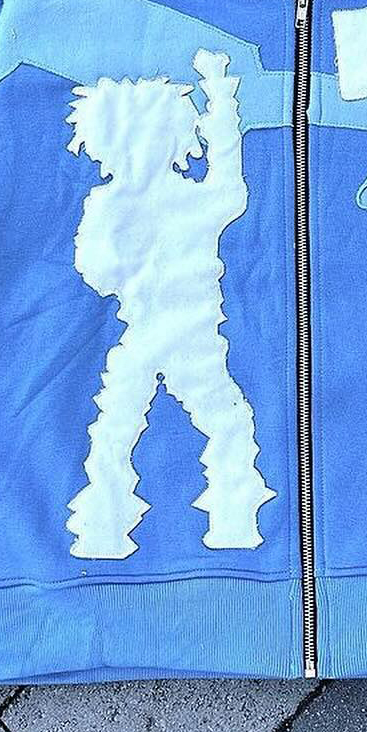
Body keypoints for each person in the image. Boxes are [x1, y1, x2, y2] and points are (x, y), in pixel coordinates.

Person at [65, 48, 273, 557]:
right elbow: (230, 188)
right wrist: (220, 97)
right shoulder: (174, 202)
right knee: (220, 424)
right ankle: (229, 521)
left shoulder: (123, 204)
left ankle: (106, 529)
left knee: (120, 430)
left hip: (162, 338)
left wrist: (221, 98)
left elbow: (95, 270)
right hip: (183, 340)